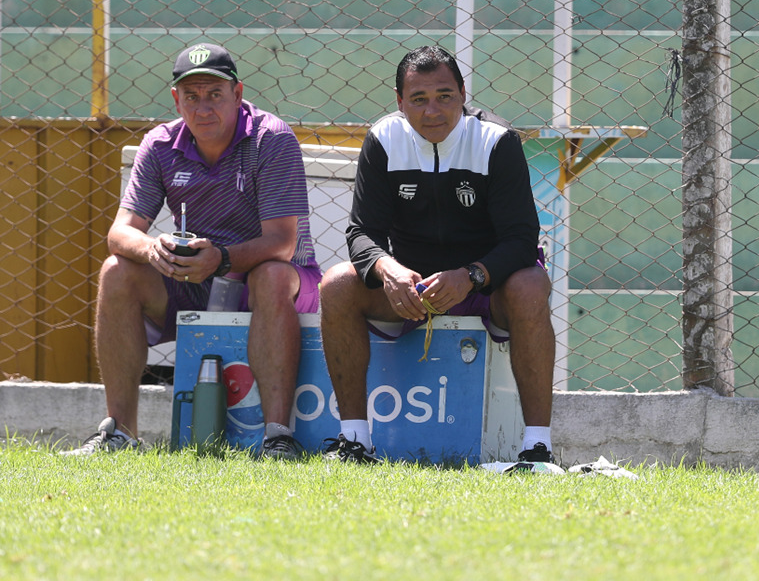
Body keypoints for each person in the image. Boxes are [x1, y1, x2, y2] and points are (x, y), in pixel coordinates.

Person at [63, 43, 322, 459]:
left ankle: (277, 437)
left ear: (237, 94)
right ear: (176, 100)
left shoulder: (271, 138)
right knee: (116, 270)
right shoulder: (159, 144)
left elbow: (282, 243)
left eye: (215, 95)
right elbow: (120, 232)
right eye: (192, 96)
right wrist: (154, 250)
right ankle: (120, 433)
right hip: (196, 278)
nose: (203, 108)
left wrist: (219, 258)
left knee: (270, 274)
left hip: (281, 278)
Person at [319, 46, 554, 467]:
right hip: (412, 291)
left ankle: (537, 448)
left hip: (485, 284)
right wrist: (388, 270)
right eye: (419, 99)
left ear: (464, 94)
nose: (433, 111)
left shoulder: (496, 141)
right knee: (337, 284)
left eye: (444, 96)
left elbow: (521, 239)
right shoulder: (384, 140)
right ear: (399, 101)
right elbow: (360, 233)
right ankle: (354, 441)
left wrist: (472, 275)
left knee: (531, 282)